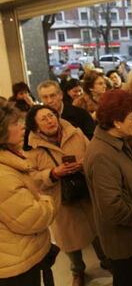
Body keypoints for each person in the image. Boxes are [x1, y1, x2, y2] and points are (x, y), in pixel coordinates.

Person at [26, 105, 107, 286]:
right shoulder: (32, 149)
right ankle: (77, 270)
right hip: (60, 199)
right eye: (44, 119)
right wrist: (53, 173)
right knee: (69, 239)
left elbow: (94, 153)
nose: (50, 120)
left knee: (96, 230)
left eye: (51, 115)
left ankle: (106, 260)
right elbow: (31, 179)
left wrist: (83, 164)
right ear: (36, 127)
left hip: (86, 191)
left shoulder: (75, 133)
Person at [83, 90, 132, 286]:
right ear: (117, 122)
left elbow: (121, 177)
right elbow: (112, 208)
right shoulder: (102, 155)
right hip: (122, 241)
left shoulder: (116, 141)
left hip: (131, 235)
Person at [0, 102, 57, 286]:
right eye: (15, 123)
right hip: (18, 263)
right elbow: (31, 218)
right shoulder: (3, 175)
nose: (22, 125)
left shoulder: (11, 158)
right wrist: (46, 200)